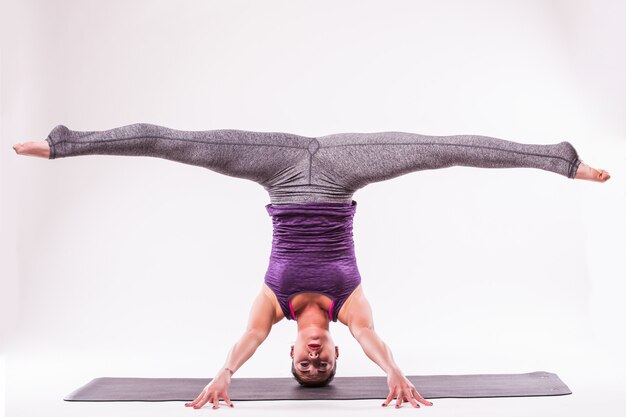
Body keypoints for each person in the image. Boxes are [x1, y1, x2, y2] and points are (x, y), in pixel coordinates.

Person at [13, 124, 610, 410]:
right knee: (445, 150)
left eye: (307, 363)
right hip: (343, 169)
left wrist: (223, 373)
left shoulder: (273, 305)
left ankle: (60, 144)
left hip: (275, 168)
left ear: (294, 355)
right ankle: (563, 162)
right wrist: (395, 374)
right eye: (324, 363)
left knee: (171, 142)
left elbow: (247, 337)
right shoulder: (349, 306)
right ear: (336, 354)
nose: (316, 355)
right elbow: (374, 338)